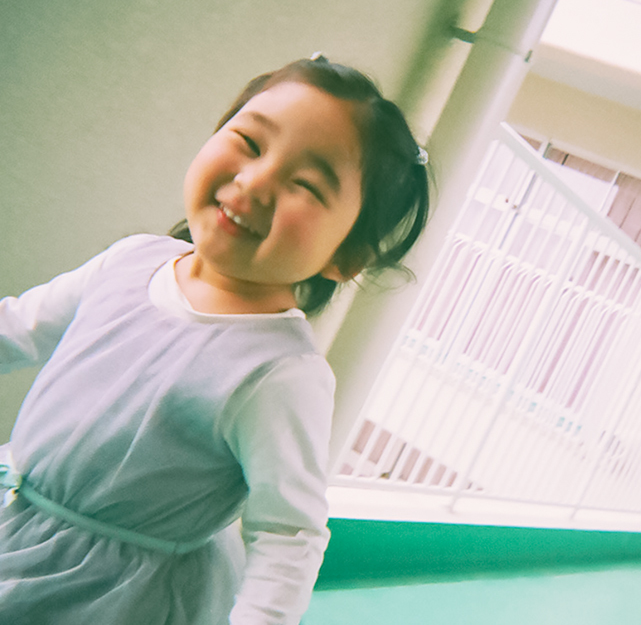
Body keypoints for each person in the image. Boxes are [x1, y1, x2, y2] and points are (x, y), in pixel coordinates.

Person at [0, 55, 430, 624]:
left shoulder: (278, 373)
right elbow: (19, 327)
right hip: (16, 514)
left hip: (110, 594)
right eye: (249, 143)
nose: (254, 181)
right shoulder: (131, 261)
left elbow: (287, 535)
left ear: (345, 257)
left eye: (305, 184)